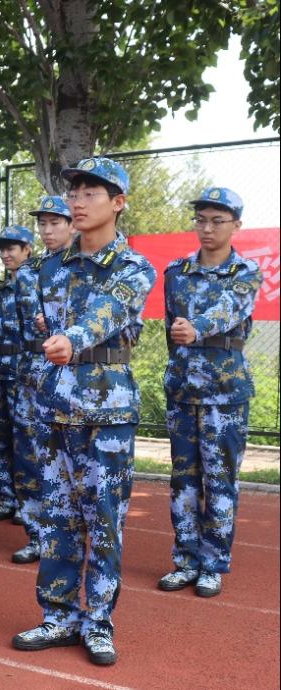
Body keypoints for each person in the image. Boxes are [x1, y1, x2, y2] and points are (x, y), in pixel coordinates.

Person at [11, 157, 155, 667]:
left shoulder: (133, 267)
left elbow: (106, 313)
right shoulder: (50, 267)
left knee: (105, 521)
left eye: (91, 193)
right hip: (55, 408)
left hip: (106, 411)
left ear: (118, 203)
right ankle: (58, 616)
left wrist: (71, 338)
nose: (77, 201)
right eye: (74, 192)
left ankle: (97, 623)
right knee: (57, 518)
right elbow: (40, 328)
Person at [157, 187, 263, 599]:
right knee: (183, 479)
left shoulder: (246, 272)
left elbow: (229, 311)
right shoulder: (176, 272)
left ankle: (213, 564)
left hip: (225, 393)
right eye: (201, 220)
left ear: (236, 225)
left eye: (217, 221)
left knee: (220, 480)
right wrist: (179, 358)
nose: (207, 228)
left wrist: (197, 327)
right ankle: (185, 559)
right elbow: (171, 328)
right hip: (183, 389)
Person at [10, 196, 74, 564]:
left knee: (70, 461)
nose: (47, 231)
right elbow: (32, 321)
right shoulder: (30, 271)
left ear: (72, 224)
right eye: (42, 224)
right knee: (31, 457)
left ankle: (69, 536)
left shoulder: (84, 266)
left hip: (72, 376)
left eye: (55, 223)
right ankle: (37, 534)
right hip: (32, 375)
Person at [0, 225, 33, 524]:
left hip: (26, 376)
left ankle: (28, 504)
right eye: (2, 249)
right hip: (0, 373)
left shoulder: (37, 286)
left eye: (11, 248)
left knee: (25, 441)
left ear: (27, 250)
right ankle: (7, 499)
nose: (5, 254)